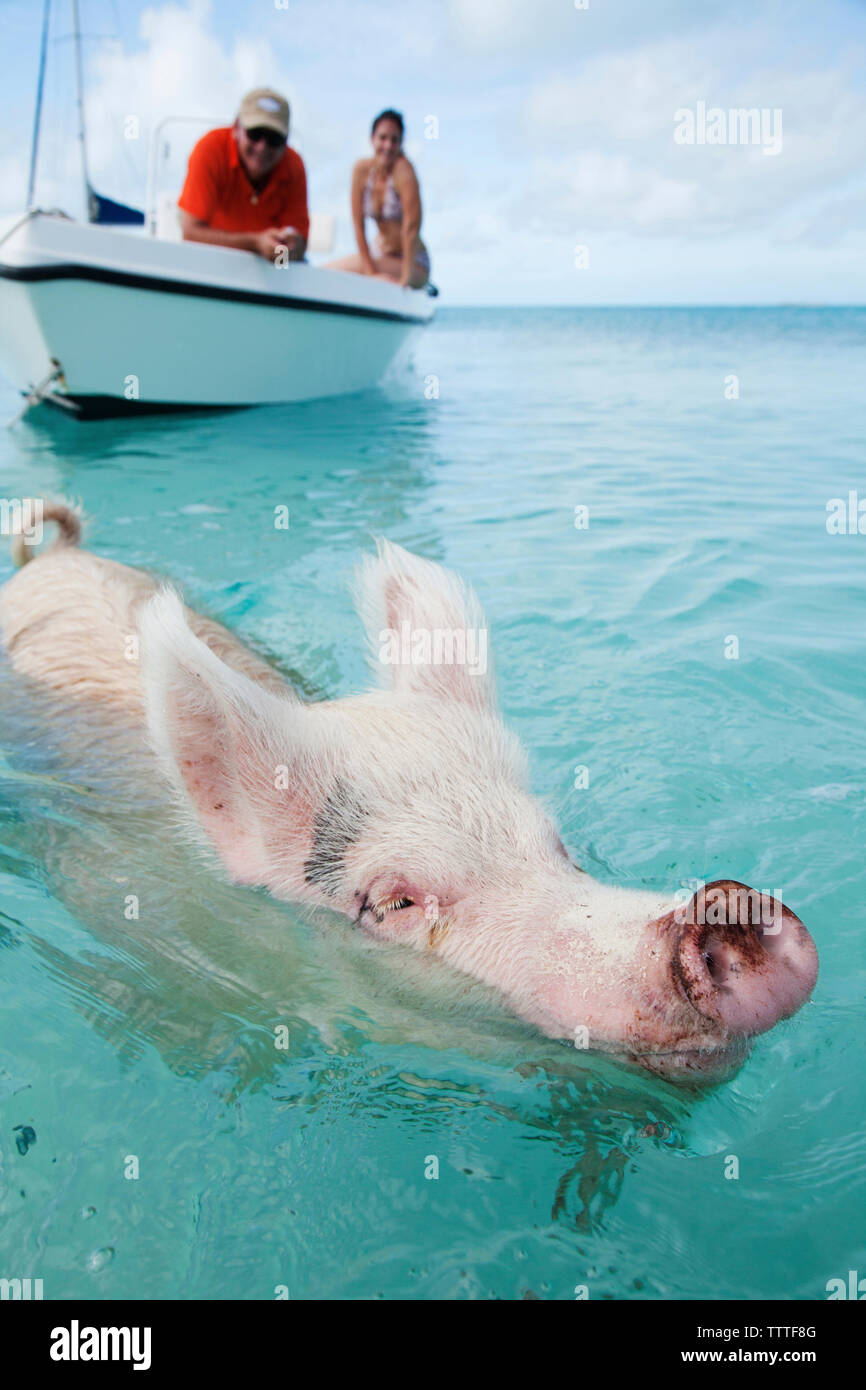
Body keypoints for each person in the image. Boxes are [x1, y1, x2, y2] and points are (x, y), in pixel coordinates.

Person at [178, 88, 309, 262]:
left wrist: (293, 247)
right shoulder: (210, 149)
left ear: (286, 140)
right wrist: (254, 243)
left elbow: (299, 247)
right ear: (237, 128)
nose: (262, 147)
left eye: (274, 139)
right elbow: (190, 233)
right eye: (255, 134)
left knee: (292, 267)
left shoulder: (294, 165)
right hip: (211, 262)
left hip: (270, 268)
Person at [326, 110, 430, 288]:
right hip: (380, 254)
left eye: (394, 140)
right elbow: (358, 225)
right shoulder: (361, 170)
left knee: (331, 271)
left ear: (401, 143)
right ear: (372, 139)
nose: (388, 145)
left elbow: (412, 227)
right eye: (383, 138)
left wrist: (404, 282)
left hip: (412, 261)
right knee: (347, 273)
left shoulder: (403, 171)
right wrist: (371, 273)